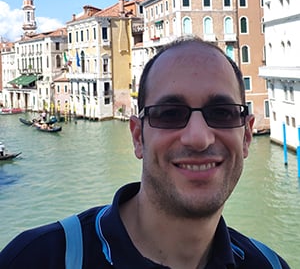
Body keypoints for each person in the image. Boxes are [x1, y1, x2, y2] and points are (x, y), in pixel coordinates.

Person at [0, 36, 290, 268]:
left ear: (247, 136)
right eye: (170, 113)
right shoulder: (36, 259)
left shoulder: (270, 265)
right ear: (138, 137)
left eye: (223, 113)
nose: (199, 138)